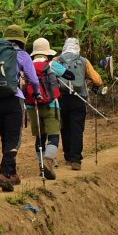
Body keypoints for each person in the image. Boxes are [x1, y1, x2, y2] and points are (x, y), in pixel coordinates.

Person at [0, 24, 40, 192]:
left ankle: (12, 173)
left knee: (6, 137)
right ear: (20, 40)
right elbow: (33, 79)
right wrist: (36, 93)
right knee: (13, 138)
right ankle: (3, 174)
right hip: (13, 99)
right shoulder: (22, 55)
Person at [24, 37, 74, 180]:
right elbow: (70, 75)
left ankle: (41, 166)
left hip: (32, 106)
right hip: (51, 105)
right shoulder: (52, 64)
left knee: (40, 136)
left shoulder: (27, 65)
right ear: (47, 52)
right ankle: (48, 161)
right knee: (53, 136)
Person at [57, 37, 106, 170]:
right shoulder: (83, 61)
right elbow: (97, 80)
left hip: (61, 98)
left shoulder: (57, 60)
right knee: (77, 129)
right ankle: (75, 160)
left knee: (65, 127)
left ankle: (68, 156)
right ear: (77, 47)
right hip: (78, 98)